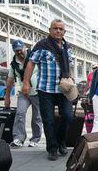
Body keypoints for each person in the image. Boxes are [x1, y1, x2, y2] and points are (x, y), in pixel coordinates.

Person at [22, 19, 73, 161]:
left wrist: (72, 81)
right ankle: (52, 148)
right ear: (50, 30)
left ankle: (61, 141)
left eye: (61, 29)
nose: (58, 31)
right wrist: (26, 82)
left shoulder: (67, 47)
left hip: (63, 89)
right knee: (48, 120)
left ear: (64, 32)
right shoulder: (42, 45)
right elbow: (31, 64)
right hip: (46, 89)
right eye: (55, 28)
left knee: (68, 116)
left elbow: (69, 66)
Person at [4, 39, 43, 147]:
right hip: (23, 93)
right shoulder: (13, 64)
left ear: (25, 48)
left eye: (20, 50)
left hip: (37, 92)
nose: (19, 53)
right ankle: (18, 138)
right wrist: (7, 97)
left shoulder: (34, 57)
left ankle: (35, 139)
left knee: (37, 117)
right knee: (20, 113)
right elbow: (10, 81)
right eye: (17, 51)